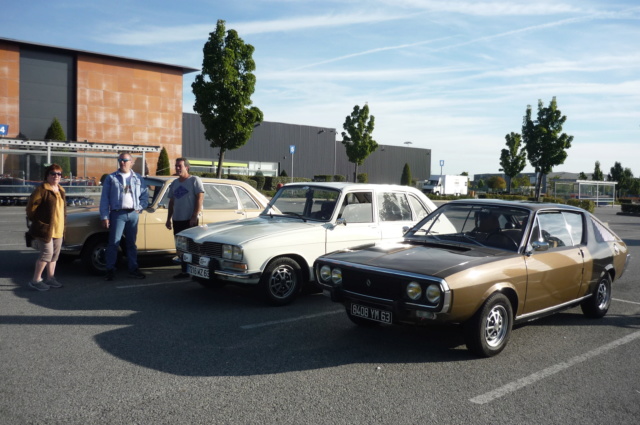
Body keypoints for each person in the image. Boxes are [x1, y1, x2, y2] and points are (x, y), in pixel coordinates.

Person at [99, 152, 148, 281]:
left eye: (125, 160)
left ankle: (133, 269)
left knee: (131, 244)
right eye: (120, 160)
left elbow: (144, 196)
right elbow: (104, 199)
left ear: (131, 162)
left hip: (133, 214)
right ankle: (110, 270)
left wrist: (139, 208)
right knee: (113, 243)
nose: (122, 162)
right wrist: (104, 217)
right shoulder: (111, 178)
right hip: (117, 214)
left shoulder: (137, 178)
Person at [26, 164, 67, 291]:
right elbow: (31, 208)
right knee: (46, 254)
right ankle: (36, 280)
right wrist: (38, 221)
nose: (56, 176)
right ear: (47, 175)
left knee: (54, 255)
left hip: (58, 228)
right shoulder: (42, 189)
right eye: (53, 174)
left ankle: (51, 278)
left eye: (58, 174)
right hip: (45, 229)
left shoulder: (61, 190)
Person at [165, 158, 204, 278]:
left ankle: (196, 271)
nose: (177, 168)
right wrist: (169, 219)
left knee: (192, 247)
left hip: (190, 220)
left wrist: (194, 216)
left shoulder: (194, 180)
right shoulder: (175, 183)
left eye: (179, 166)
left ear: (186, 167)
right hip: (177, 219)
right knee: (180, 247)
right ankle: (184, 271)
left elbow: (200, 198)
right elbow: (172, 202)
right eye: (176, 166)